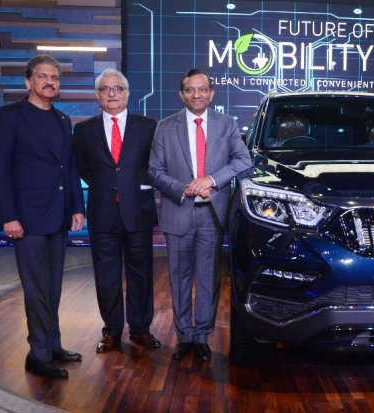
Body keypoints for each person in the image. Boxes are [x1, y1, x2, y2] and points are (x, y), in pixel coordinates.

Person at [0, 54, 85, 379]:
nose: (49, 82)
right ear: (28, 81)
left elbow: (68, 168)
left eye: (54, 77)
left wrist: (77, 207)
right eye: (42, 76)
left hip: (58, 218)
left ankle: (53, 346)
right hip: (26, 220)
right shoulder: (8, 116)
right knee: (36, 290)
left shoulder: (63, 120)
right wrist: (7, 217)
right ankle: (38, 355)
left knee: (52, 288)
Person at [148, 68, 251, 361]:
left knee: (208, 279)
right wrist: (185, 188)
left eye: (202, 89)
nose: (197, 95)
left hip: (212, 215)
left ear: (211, 93)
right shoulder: (164, 127)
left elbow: (243, 160)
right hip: (178, 209)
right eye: (190, 90)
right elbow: (154, 171)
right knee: (179, 278)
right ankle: (184, 336)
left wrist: (211, 180)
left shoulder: (227, 124)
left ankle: (202, 336)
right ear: (182, 94)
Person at [73, 68, 160, 353]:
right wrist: (108, 186)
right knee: (106, 276)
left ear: (127, 93)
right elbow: (83, 169)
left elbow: (155, 165)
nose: (112, 93)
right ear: (97, 95)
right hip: (102, 212)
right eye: (105, 89)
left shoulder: (148, 126)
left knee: (141, 274)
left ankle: (140, 328)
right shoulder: (84, 130)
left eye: (118, 88)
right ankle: (111, 330)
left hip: (138, 212)